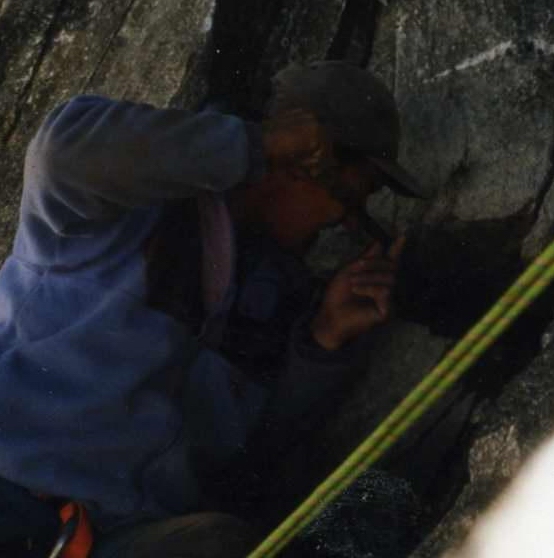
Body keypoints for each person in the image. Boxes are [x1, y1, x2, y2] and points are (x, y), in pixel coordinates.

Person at [0, 60, 425, 557]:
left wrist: (323, 341)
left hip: (111, 540)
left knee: (225, 544)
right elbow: (59, 153)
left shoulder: (270, 302)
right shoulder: (125, 212)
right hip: (13, 499)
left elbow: (250, 456)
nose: (347, 223)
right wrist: (255, 146)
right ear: (301, 162)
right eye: (351, 196)